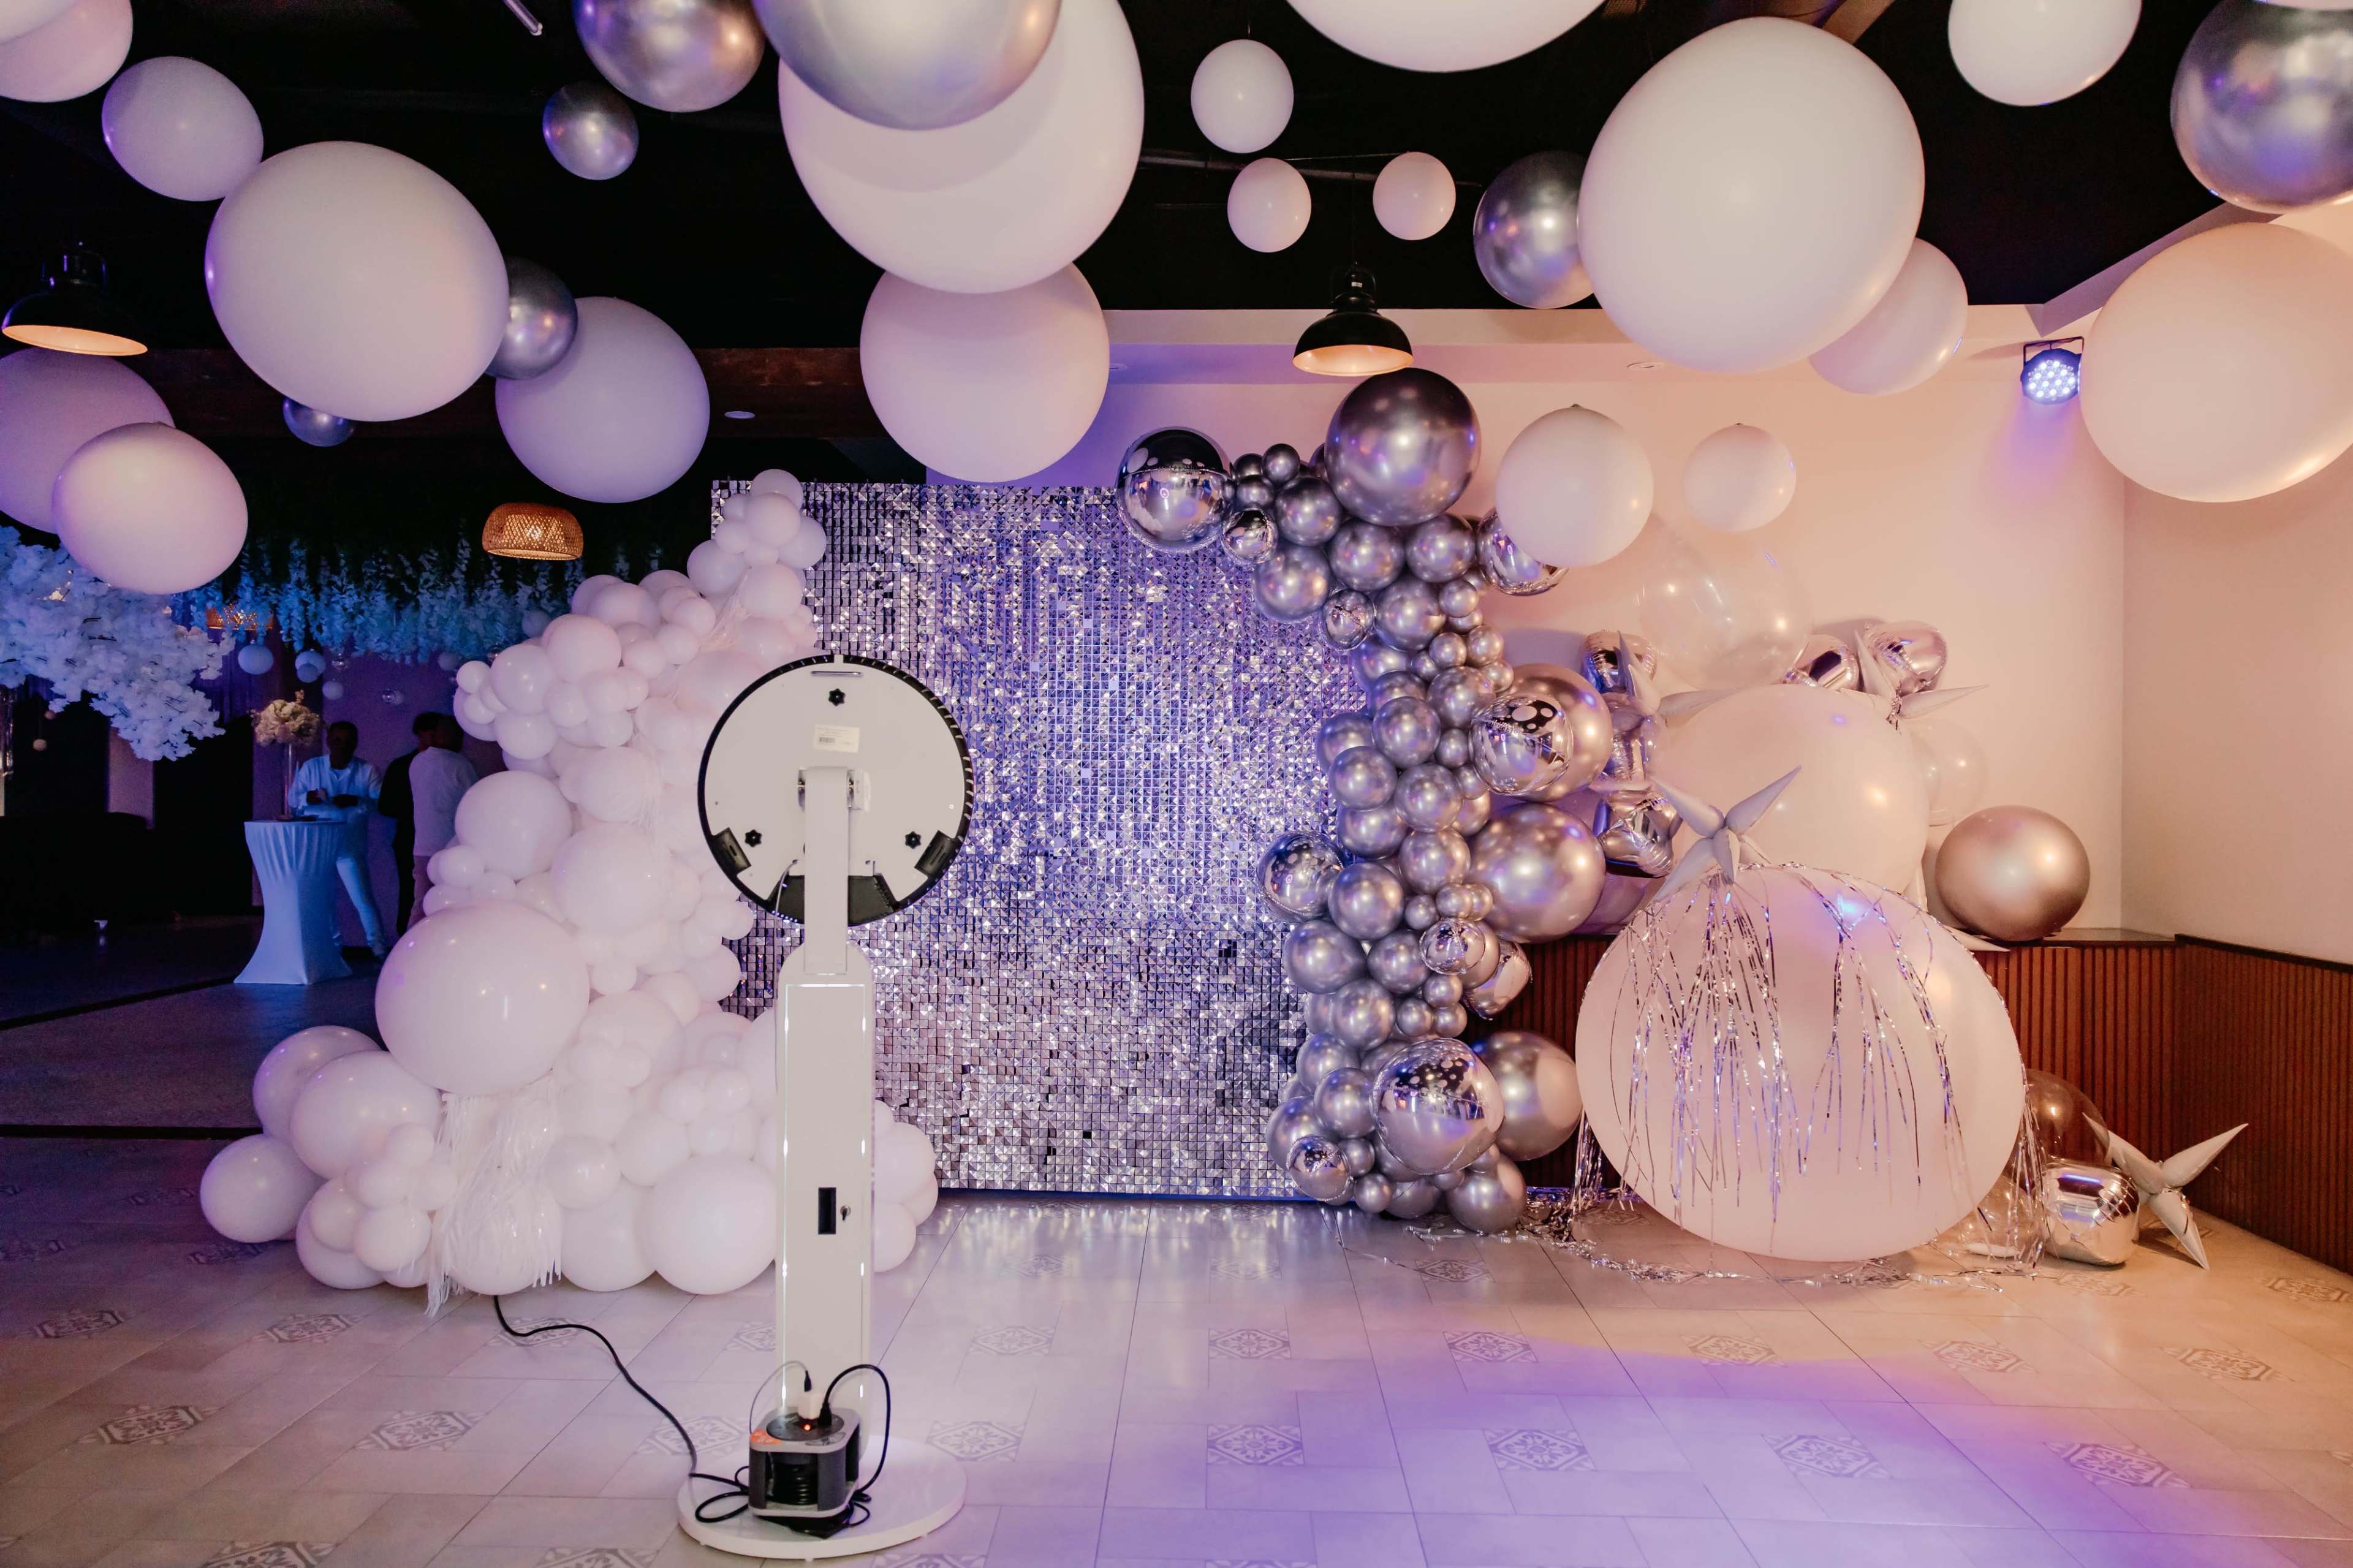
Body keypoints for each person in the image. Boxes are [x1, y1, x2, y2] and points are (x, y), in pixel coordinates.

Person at [287, 719, 388, 957]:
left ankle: (379, 949)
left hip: (348, 846)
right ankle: (332, 950)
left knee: (362, 899)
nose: (341, 745)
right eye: (337, 740)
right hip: (317, 845)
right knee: (322, 899)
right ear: (328, 741)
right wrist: (307, 800)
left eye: (347, 741)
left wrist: (356, 801)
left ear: (355, 744)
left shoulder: (367, 770)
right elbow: (293, 800)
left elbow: (381, 804)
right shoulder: (312, 767)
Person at [406, 713, 479, 928]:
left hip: (422, 847)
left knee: (421, 905)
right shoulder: (459, 764)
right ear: (437, 734)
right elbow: (475, 800)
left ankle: (410, 953)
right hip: (453, 845)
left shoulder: (416, 762)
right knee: (455, 906)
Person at [377, 711, 438, 932]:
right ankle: (406, 943)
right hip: (410, 839)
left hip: (433, 838)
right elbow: (385, 805)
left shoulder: (446, 764)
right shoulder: (403, 766)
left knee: (428, 893)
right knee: (411, 893)